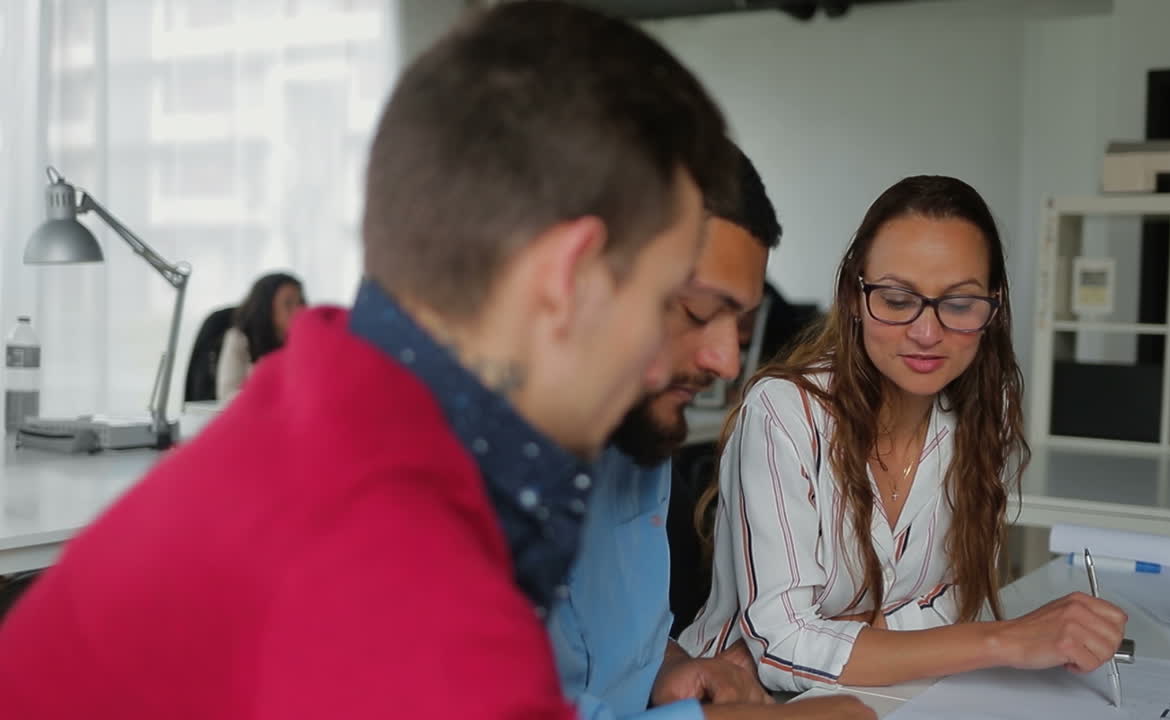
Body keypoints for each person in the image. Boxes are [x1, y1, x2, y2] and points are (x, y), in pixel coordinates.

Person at [0, 3, 738, 717]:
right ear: (567, 280)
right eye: (672, 302)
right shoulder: (399, 583)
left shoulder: (328, 424)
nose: (706, 356)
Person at [679, 175, 1128, 691]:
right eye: (896, 300)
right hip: (735, 699)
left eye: (958, 304)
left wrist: (836, 636)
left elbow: (956, 604)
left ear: (993, 307)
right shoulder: (785, 412)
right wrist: (1004, 639)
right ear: (854, 294)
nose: (927, 332)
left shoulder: (987, 410)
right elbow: (783, 649)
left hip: (890, 695)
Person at [548, 146, 872, 720]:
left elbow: (600, 652)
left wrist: (667, 667)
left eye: (743, 326)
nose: (727, 362)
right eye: (698, 312)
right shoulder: (437, 478)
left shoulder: (640, 435)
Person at [216, 271, 307, 401]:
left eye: (300, 302)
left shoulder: (306, 341)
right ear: (266, 307)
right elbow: (227, 395)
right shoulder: (239, 339)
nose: (298, 310)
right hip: (255, 416)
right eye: (288, 303)